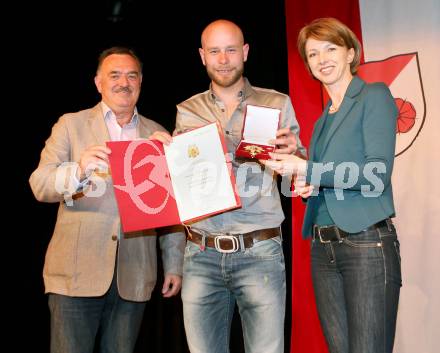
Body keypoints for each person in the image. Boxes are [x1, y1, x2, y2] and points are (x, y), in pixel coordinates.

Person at [29, 46, 185, 353]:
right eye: (114, 75)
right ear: (98, 83)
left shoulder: (158, 134)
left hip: (135, 274)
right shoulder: (71, 125)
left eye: (131, 75)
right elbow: (40, 183)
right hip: (75, 272)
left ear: (140, 82)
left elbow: (172, 208)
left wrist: (174, 264)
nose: (123, 82)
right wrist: (79, 170)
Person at [264, 17, 402, 353]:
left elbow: (375, 175)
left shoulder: (374, 95)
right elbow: (329, 176)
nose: (321, 58)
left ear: (350, 52)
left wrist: (309, 167)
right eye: (312, 54)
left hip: (366, 244)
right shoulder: (324, 119)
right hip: (323, 249)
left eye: (330, 48)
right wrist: (307, 183)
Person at [171, 19, 305, 353]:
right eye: (214, 51)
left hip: (260, 252)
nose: (223, 58)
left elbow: (299, 175)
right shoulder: (186, 111)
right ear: (203, 56)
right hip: (200, 252)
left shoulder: (277, 103)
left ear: (244, 52)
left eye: (231, 49)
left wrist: (295, 155)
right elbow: (178, 180)